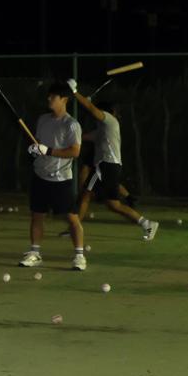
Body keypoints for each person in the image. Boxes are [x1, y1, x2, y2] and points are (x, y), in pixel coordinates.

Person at [73, 85, 159, 239]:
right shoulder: (103, 129)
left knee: (86, 194)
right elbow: (83, 137)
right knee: (113, 205)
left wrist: (75, 93)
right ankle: (147, 224)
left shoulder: (110, 121)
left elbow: (92, 109)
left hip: (105, 165)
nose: (96, 116)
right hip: (110, 167)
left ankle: (75, 227)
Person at [17, 81, 85, 271]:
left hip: (61, 178)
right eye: (49, 96)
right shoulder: (43, 120)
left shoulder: (72, 125)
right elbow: (39, 142)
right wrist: (35, 149)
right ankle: (35, 253)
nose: (49, 99)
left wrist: (49, 150)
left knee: (71, 218)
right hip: (40, 175)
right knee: (37, 215)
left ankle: (79, 256)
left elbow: (75, 151)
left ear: (64, 100)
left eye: (53, 96)